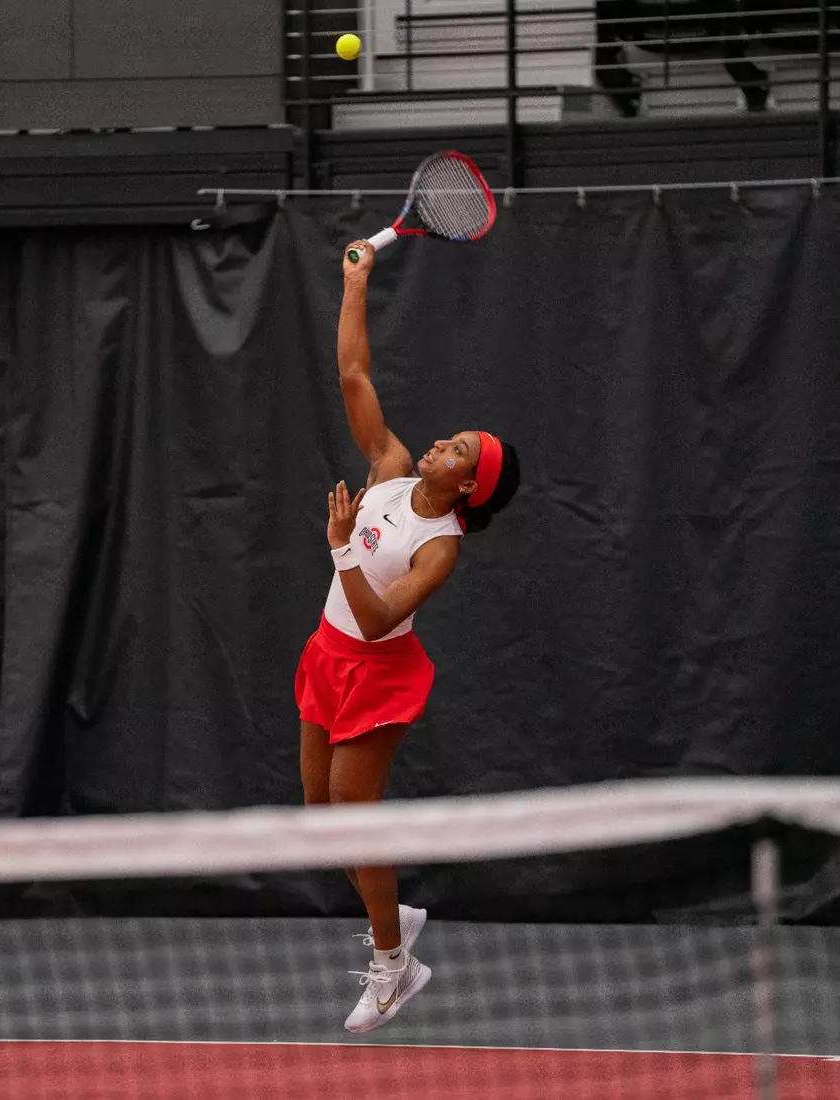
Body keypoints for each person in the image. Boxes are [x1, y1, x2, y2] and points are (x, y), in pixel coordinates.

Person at [295, 240, 522, 1034]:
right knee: (323, 818)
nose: (439, 444)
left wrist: (339, 547)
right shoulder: (387, 467)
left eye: (456, 451)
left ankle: (395, 965)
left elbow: (384, 615)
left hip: (378, 669)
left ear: (467, 485)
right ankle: (397, 909)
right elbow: (354, 376)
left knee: (357, 814)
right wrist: (356, 285)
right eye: (449, 437)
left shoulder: (440, 547)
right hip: (325, 652)